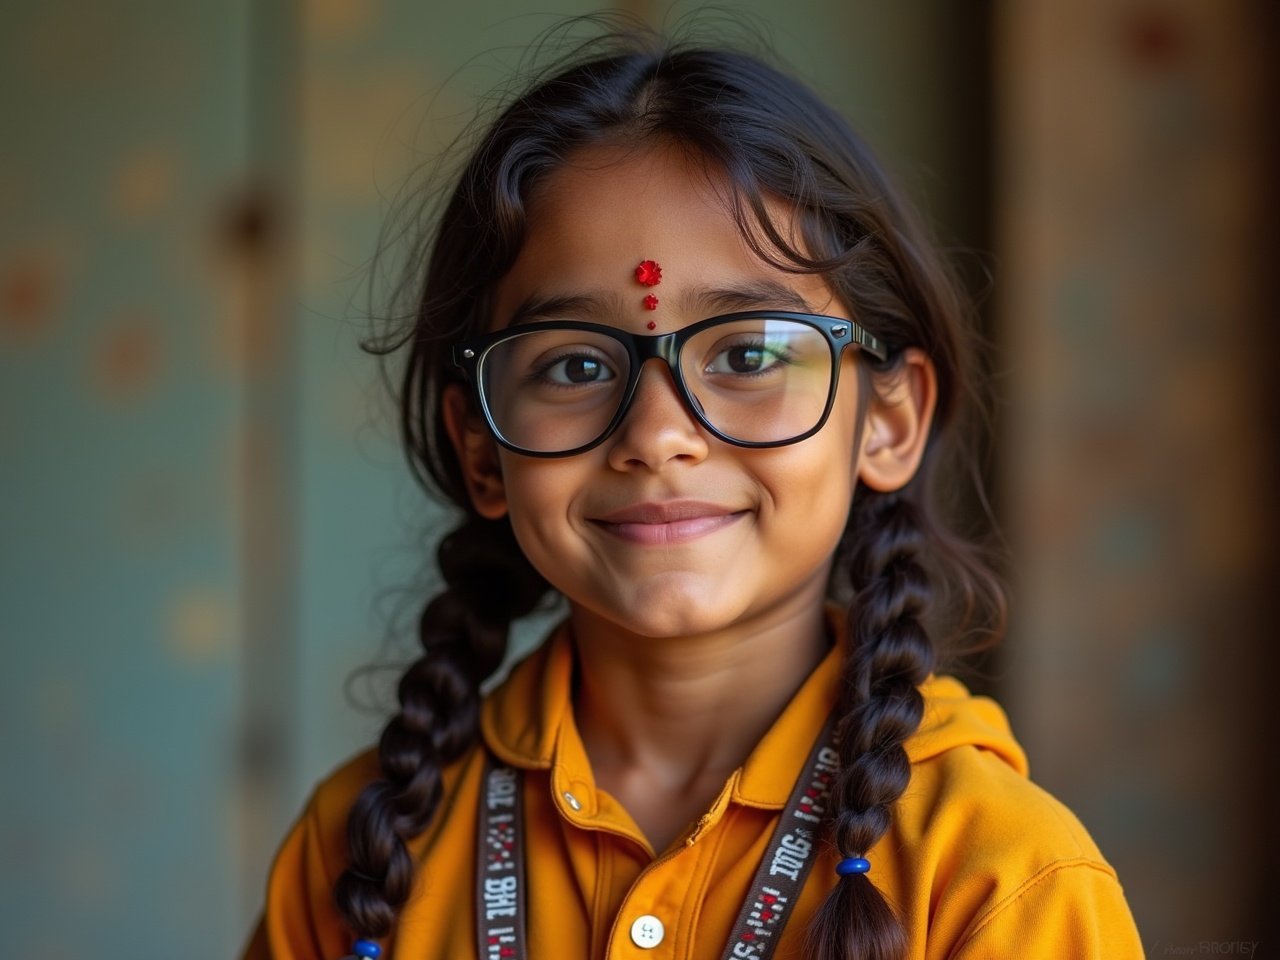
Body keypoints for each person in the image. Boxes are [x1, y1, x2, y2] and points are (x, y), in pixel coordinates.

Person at [241, 24, 1144, 960]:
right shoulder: (358, 857)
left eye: (749, 353)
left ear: (889, 420)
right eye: (574, 365)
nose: (658, 435)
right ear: (480, 448)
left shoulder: (1001, 885)